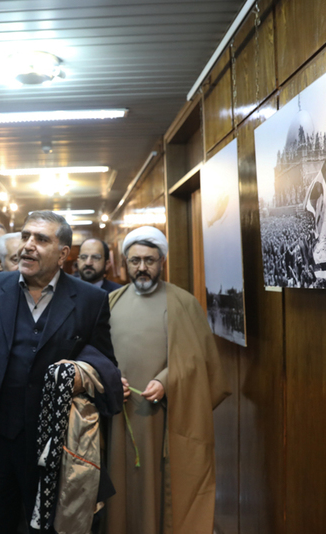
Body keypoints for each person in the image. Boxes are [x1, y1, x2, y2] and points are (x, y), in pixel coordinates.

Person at [0, 210, 124, 533]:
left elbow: (103, 360)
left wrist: (85, 373)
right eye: (26, 236)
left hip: (55, 446)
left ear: (63, 254)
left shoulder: (90, 300)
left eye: (41, 239)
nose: (28, 245)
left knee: (46, 526)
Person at [105, 226, 230, 534]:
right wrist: (110, 380)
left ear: (162, 261)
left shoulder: (183, 303)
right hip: (121, 415)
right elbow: (98, 353)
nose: (142, 268)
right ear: (125, 263)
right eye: (135, 261)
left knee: (164, 486)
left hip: (164, 415)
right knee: (121, 486)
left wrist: (166, 381)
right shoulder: (111, 301)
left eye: (149, 260)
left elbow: (199, 362)